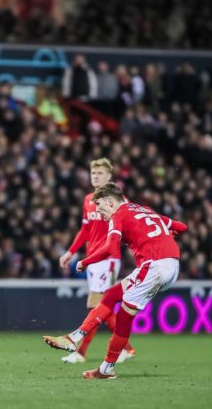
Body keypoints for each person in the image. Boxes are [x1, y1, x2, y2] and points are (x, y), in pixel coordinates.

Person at [44, 183, 187, 379]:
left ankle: (85, 348)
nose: (99, 212)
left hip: (154, 266)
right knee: (114, 298)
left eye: (100, 206)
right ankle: (92, 355)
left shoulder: (119, 214)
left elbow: (111, 248)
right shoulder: (144, 210)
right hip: (171, 266)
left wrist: (85, 261)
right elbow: (182, 227)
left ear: (110, 201)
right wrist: (168, 234)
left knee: (120, 312)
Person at [58, 158, 134, 364]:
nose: (96, 177)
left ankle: (81, 353)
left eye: (100, 173)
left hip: (108, 258)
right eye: (93, 173)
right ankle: (126, 348)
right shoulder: (88, 200)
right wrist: (70, 252)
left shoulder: (119, 200)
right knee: (101, 306)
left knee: (94, 304)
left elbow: (130, 224)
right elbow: (85, 230)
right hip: (92, 258)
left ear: (109, 176)